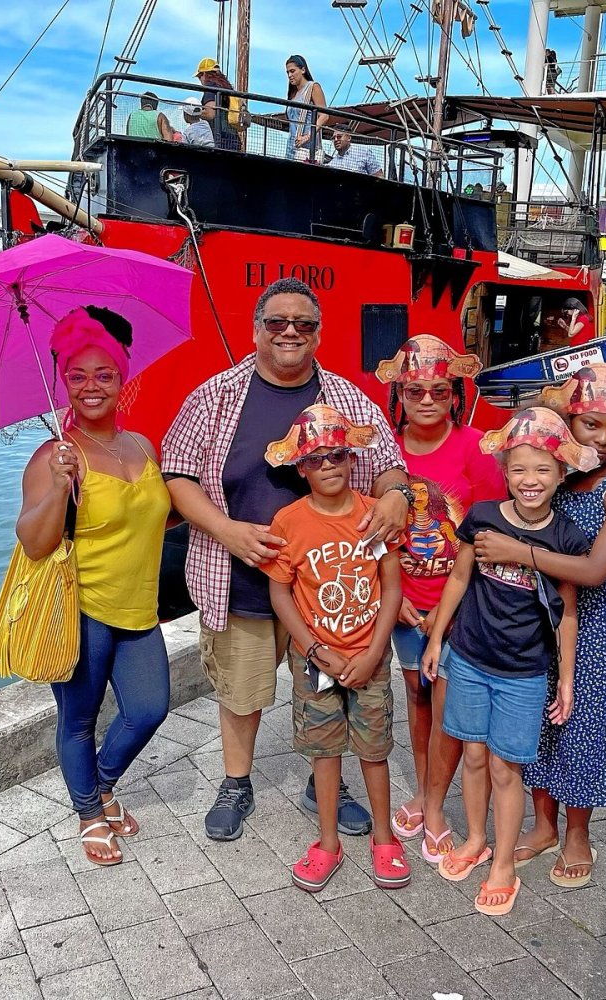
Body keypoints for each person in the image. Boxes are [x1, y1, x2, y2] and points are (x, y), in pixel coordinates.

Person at [162, 277, 412, 842]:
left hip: (331, 588)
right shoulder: (214, 396)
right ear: (257, 330)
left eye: (304, 324)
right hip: (242, 576)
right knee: (242, 689)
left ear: (319, 334)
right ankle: (236, 780)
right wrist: (226, 531)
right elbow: (176, 473)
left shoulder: (347, 398)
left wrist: (397, 494)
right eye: (278, 322)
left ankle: (326, 779)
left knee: (331, 685)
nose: (291, 332)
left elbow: (390, 464)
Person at [474, 365, 606, 888]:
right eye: (591, 426)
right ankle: (544, 825)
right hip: (536, 616)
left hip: (596, 623)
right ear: (567, 421)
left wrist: (519, 552)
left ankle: (578, 833)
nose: (604, 440)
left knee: (584, 725)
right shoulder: (550, 471)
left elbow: (597, 569)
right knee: (537, 719)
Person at [421, 407, 596, 916]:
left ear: (562, 472)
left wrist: (565, 679)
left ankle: (503, 863)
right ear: (504, 471)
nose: (530, 479)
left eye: (543, 469)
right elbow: (458, 579)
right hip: (471, 658)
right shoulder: (482, 518)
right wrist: (436, 640)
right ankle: (476, 839)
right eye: (518, 468)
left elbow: (566, 615)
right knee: (472, 756)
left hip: (524, 673)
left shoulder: (566, 539)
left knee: (505, 768)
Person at [16, 306, 171, 866]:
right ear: (63, 381)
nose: (90, 387)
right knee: (79, 720)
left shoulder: (143, 447)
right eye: (77, 376)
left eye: (103, 374)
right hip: (83, 609)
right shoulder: (55, 456)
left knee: (149, 709)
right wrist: (58, 489)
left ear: (122, 377)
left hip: (140, 609)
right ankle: (88, 813)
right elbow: (33, 541)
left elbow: (156, 514)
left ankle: (99, 786)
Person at [262, 406, 410, 891]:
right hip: (316, 662)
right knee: (324, 752)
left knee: (374, 748)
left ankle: (385, 837)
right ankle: (328, 841)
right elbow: (280, 591)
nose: (329, 466)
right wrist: (311, 649)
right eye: (317, 459)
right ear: (300, 468)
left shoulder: (373, 516)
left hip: (369, 653)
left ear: (352, 459)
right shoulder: (288, 522)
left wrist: (373, 652)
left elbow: (391, 587)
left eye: (338, 455)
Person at [376, 336, 504, 863]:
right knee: (417, 695)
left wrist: (455, 607)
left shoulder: (475, 446)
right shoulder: (386, 451)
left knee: (449, 702)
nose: (426, 399)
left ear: (454, 392)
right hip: (405, 603)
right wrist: (396, 596)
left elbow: (493, 530)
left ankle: (432, 805)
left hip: (461, 605)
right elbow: (370, 528)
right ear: (399, 394)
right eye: (414, 390)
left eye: (437, 389)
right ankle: (426, 794)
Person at [285, 55, 327, 162]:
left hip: (307, 150)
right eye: (288, 72)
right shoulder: (293, 94)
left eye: (292, 71)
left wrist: (307, 137)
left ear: (303, 69)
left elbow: (324, 116)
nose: (290, 75)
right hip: (291, 147)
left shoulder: (313, 87)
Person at [196, 58, 242, 152]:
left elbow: (210, 113)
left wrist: (194, 112)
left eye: (199, 76)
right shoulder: (227, 88)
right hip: (233, 139)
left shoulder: (210, 87)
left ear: (204, 74)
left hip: (220, 140)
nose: (200, 80)